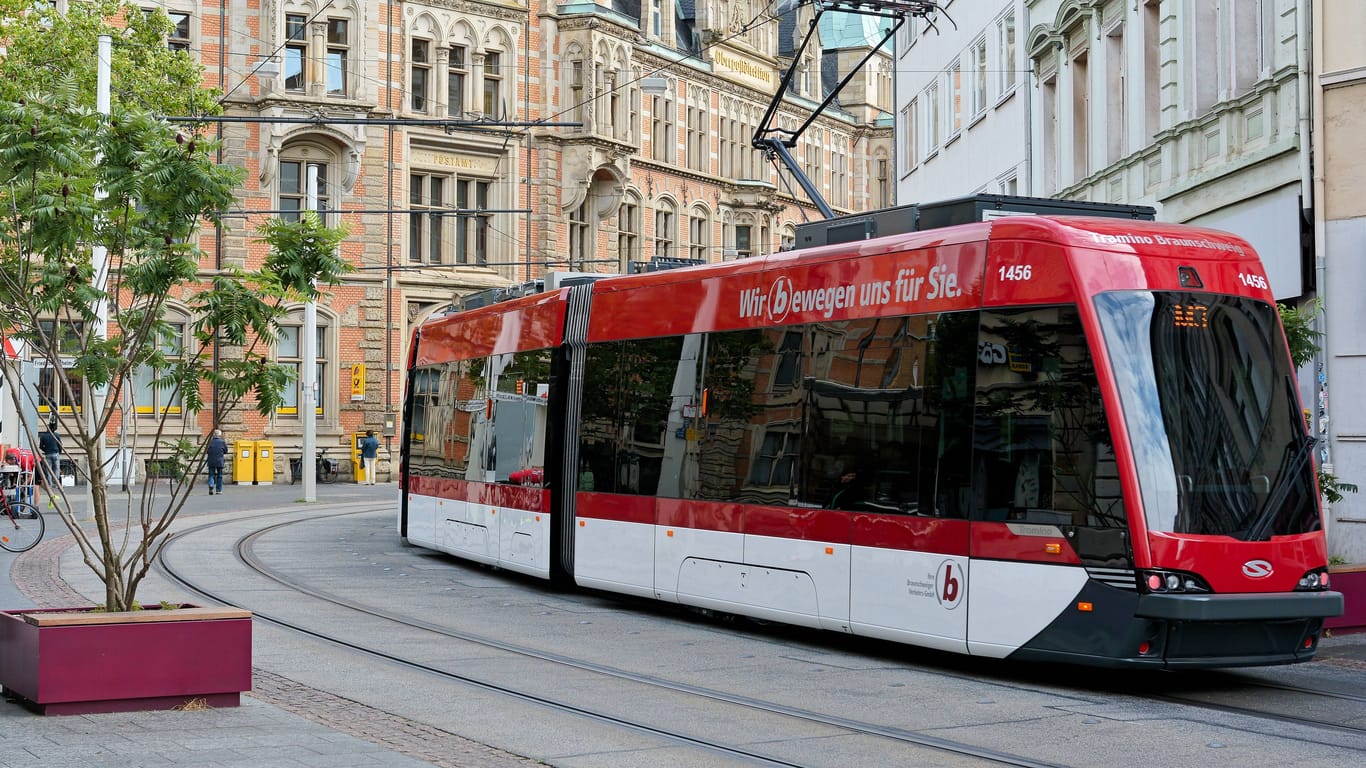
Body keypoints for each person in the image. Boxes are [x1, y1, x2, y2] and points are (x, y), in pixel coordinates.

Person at [206, 429, 228, 495]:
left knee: (211, 475)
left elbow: (207, 451)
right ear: (220, 435)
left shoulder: (210, 442)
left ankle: (211, 485)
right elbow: (226, 451)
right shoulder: (222, 442)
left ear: (213, 435)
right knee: (220, 476)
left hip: (211, 461)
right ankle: (218, 490)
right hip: (219, 461)